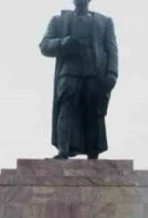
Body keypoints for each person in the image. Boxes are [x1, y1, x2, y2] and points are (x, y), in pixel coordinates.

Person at [39, 0, 119, 160]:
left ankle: (93, 153)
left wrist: (112, 72)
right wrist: (64, 41)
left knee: (94, 112)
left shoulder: (104, 21)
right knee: (65, 109)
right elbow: (44, 45)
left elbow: (112, 49)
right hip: (69, 71)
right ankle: (63, 151)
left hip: (95, 72)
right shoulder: (59, 20)